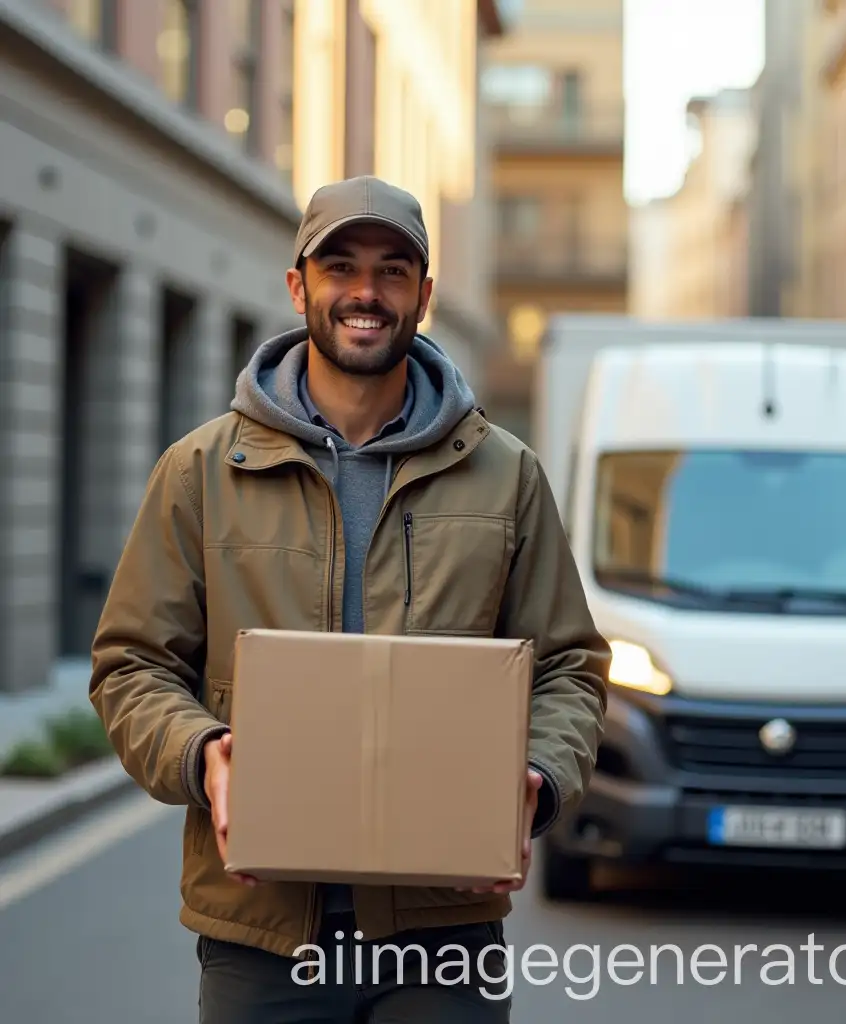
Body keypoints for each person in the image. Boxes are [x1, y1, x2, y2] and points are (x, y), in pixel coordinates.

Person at [89, 175, 610, 1023]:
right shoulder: (203, 472)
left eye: (392, 270)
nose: (366, 292)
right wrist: (202, 753)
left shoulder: (506, 475)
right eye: (341, 267)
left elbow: (569, 669)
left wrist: (537, 778)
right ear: (299, 286)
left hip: (444, 934)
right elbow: (131, 666)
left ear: (424, 296)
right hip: (262, 941)